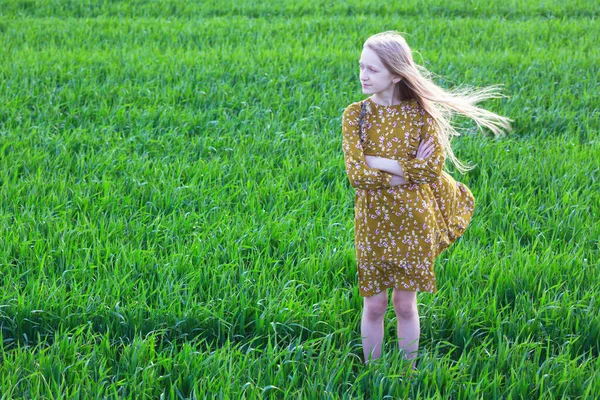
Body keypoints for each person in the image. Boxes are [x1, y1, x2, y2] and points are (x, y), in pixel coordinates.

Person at [341, 31, 512, 366]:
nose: (362, 75)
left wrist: (378, 162)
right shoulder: (355, 115)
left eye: (372, 69)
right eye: (361, 66)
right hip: (372, 220)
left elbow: (430, 170)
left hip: (414, 220)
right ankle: (372, 375)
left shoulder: (421, 115)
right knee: (374, 305)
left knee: (405, 305)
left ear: (395, 74)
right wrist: (406, 169)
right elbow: (357, 176)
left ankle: (407, 376)